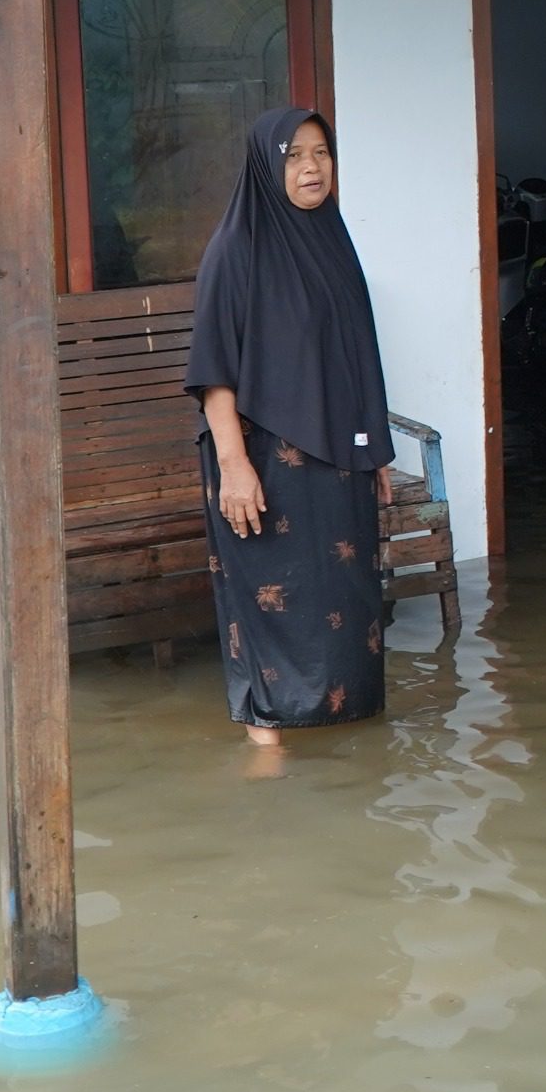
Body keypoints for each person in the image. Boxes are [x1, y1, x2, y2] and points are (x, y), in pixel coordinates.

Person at [185, 107, 396, 744]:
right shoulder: (236, 250)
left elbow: (355, 353)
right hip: (264, 457)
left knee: (346, 597)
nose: (312, 168)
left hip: (338, 455)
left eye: (322, 154)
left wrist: (376, 453)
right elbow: (214, 373)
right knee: (272, 601)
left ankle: (348, 745)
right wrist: (234, 467)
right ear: (267, 166)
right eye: (295, 155)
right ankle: (267, 746)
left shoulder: (330, 238)